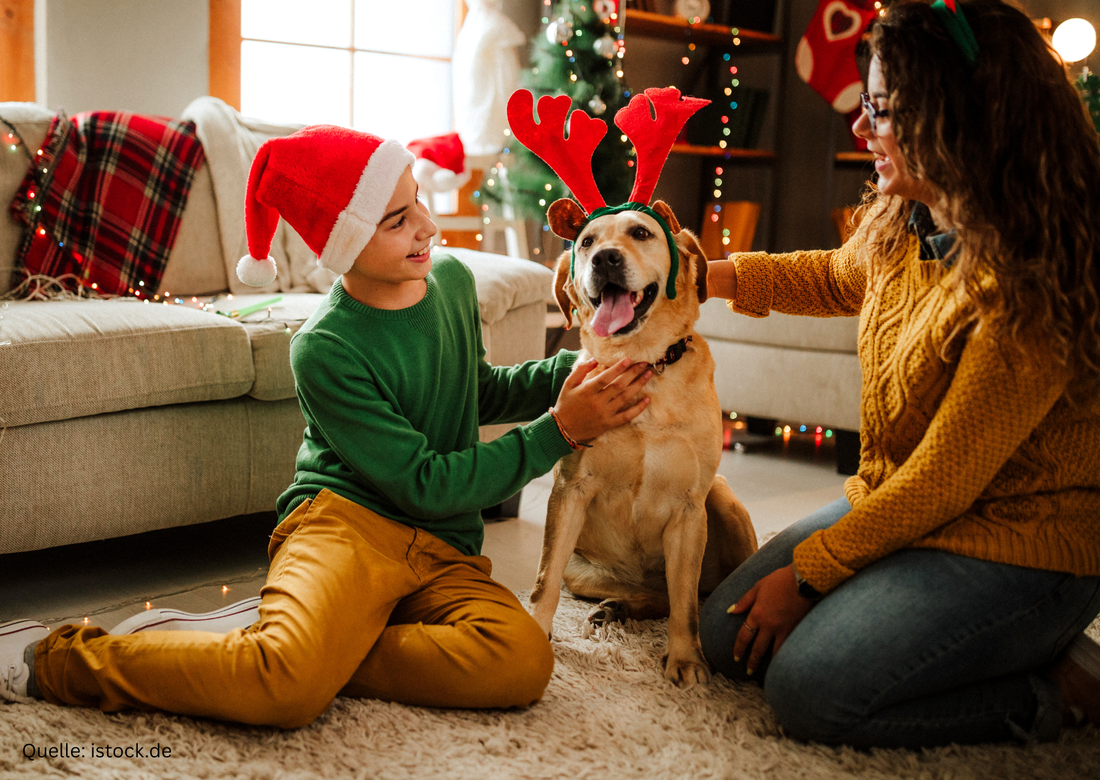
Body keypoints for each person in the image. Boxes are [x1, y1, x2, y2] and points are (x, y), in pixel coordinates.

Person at [0, 125, 653, 726]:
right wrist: (559, 431)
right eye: (398, 220)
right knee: (281, 691)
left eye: (418, 200)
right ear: (343, 245)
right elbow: (423, 481)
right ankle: (60, 660)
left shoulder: (450, 282)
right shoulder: (324, 347)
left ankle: (308, 647)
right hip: (346, 524)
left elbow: (475, 391)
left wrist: (572, 371)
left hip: (440, 546)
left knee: (519, 660)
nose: (426, 225)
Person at [698, 0, 1100, 748]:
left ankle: (1058, 686)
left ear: (960, 116)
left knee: (809, 691)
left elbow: (943, 482)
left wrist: (810, 572)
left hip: (1018, 543)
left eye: (880, 110)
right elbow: (831, 279)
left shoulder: (1030, 278)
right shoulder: (907, 217)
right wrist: (710, 275)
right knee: (725, 636)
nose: (858, 127)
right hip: (907, 508)